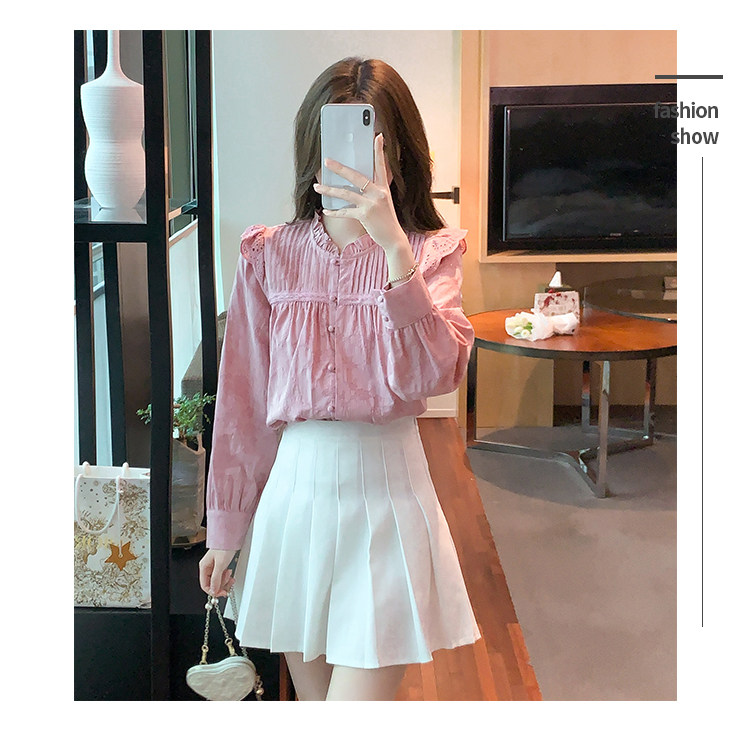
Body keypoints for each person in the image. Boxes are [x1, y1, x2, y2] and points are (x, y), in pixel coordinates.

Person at [198, 56, 481, 701]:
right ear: (313, 147)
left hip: (388, 496)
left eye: (372, 141)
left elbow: (437, 375)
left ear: (399, 153)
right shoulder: (268, 254)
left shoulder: (431, 254)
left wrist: (395, 251)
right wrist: (227, 528)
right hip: (293, 503)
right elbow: (242, 402)